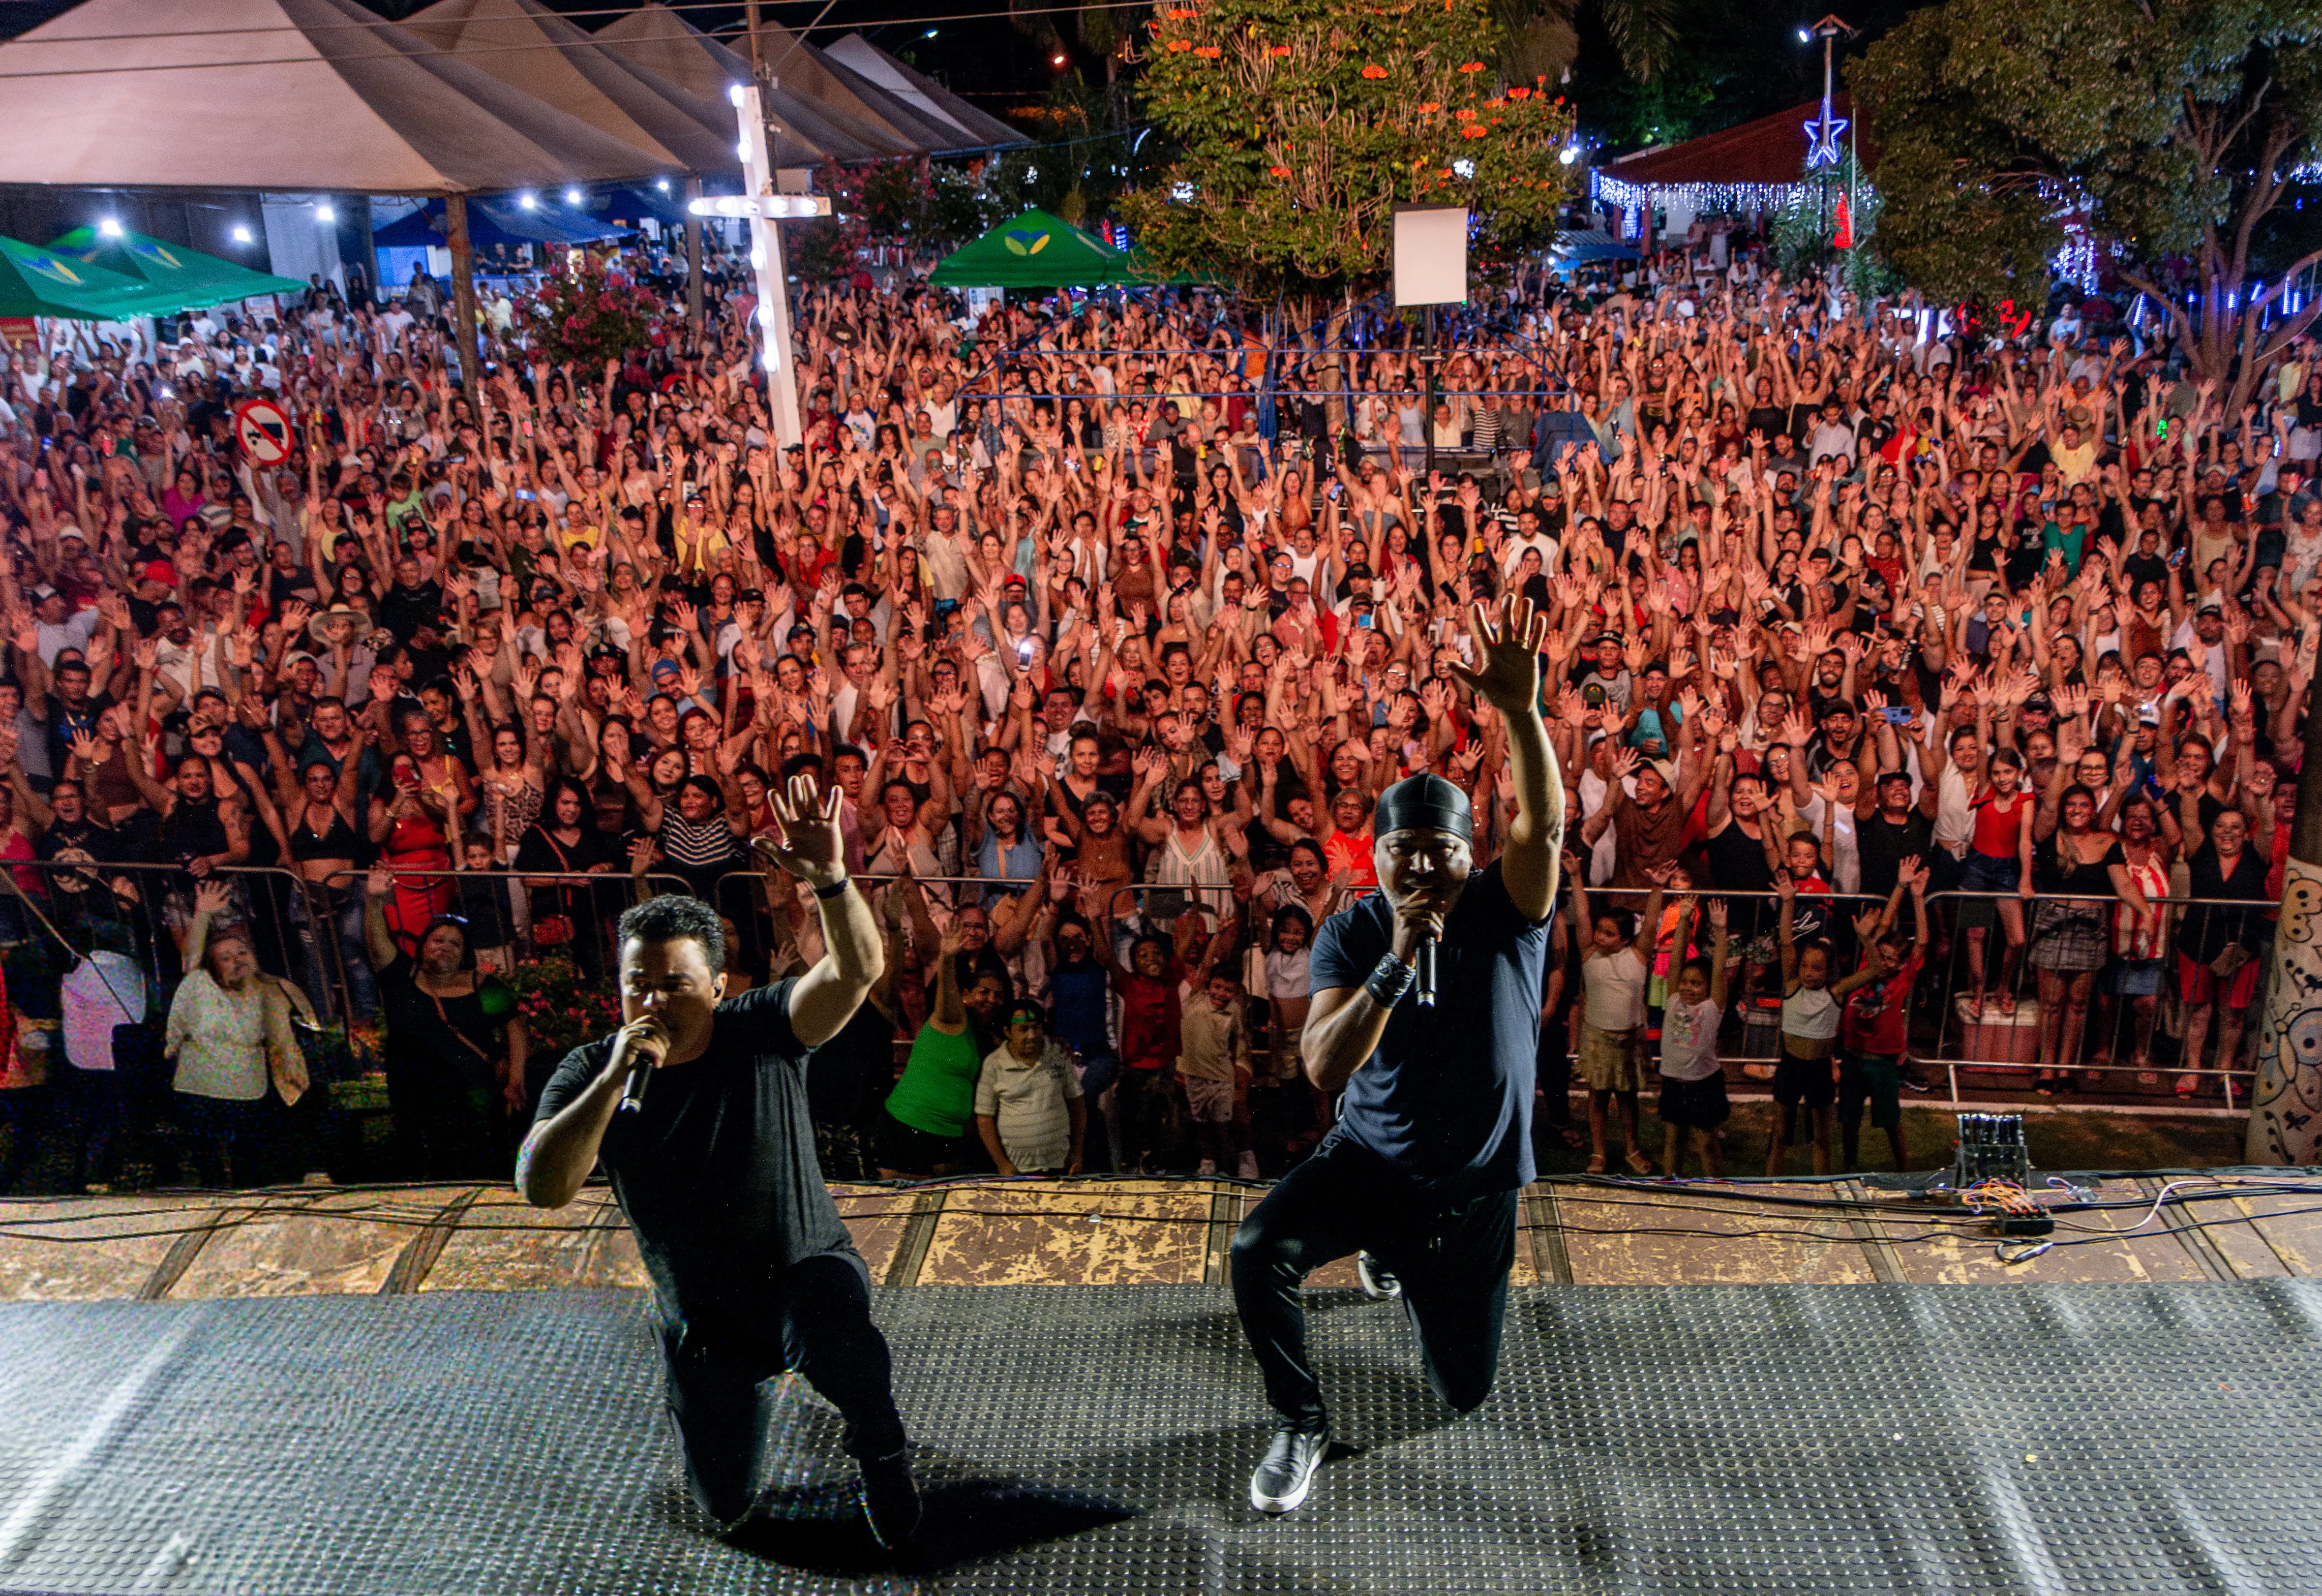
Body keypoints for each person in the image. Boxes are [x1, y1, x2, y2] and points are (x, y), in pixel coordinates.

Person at [518, 773, 919, 1549]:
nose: (654, 1002)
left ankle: (879, 1442)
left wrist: (833, 883)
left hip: (803, 1270)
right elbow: (541, 1187)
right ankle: (744, 1405)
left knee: (837, 1337)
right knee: (725, 1507)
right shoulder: (592, 1071)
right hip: (703, 1316)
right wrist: (612, 1081)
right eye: (639, 985)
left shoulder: (760, 1026)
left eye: (675, 984)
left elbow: (856, 973)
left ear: (718, 983)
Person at [1229, 594, 1562, 1518]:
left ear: (1470, 854)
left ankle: (1406, 1266)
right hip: (1372, 1163)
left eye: (1441, 853)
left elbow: (1545, 828)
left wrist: (1523, 716)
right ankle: (1300, 1421)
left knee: (1461, 1393)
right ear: (1372, 856)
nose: (1421, 869)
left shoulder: (1506, 909)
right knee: (1257, 1251)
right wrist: (1394, 962)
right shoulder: (1350, 933)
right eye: (1402, 853)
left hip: (1474, 1188)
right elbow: (1325, 1070)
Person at [364, 868, 525, 1177]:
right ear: (424, 945)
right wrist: (373, 901)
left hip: (475, 1100)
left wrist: (516, 1078)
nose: (445, 947)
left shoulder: (480, 985)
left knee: (483, 1171)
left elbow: (514, 1023)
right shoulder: (403, 979)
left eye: (455, 944)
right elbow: (377, 943)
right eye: (438, 940)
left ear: (464, 954)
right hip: (418, 1101)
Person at [163, 879, 306, 1187]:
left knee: (249, 1171)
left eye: (242, 952)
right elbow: (190, 962)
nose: (237, 960)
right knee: (210, 1173)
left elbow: (299, 1032)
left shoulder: (272, 989)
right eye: (226, 958)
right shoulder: (199, 985)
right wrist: (202, 915)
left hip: (248, 1090)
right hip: (199, 1090)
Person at [1565, 856, 1669, 1175]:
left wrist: (1657, 887)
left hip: (1627, 1040)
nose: (1599, 936)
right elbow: (1582, 915)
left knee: (1627, 1100)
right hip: (1597, 1037)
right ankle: (1598, 1153)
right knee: (1597, 1099)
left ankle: (1631, 1149)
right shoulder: (1589, 953)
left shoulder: (1638, 956)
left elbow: (1651, 923)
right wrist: (1575, 876)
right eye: (1600, 930)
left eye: (1609, 933)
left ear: (1625, 939)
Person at [1837, 861, 1931, 1172]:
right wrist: (1899, 887)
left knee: (1890, 1120)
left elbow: (1923, 942)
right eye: (1884, 956)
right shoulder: (1869, 963)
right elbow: (1881, 927)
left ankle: (1902, 1168)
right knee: (1849, 1119)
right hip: (1853, 1056)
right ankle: (1849, 1168)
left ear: (1904, 965)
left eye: (1893, 960)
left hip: (1883, 1059)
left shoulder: (1903, 978)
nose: (1887, 963)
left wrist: (1918, 898)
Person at [1656, 895, 1730, 1177]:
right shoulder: (1674, 998)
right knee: (1673, 1139)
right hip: (1673, 1082)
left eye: (1697, 983)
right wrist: (1684, 921)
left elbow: (1720, 968)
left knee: (1707, 1142)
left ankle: (1714, 1189)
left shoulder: (1712, 1007)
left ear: (1709, 988)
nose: (1688, 987)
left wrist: (1720, 930)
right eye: (1686, 982)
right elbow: (1676, 960)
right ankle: (1669, 1184)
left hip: (1703, 1084)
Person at [972, 997, 1086, 1176]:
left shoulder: (1058, 1055)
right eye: (1023, 1029)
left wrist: (1077, 1153)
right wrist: (1002, 1164)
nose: (1032, 1035)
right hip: (1016, 1169)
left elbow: (1077, 1105)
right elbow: (985, 1118)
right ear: (1007, 1031)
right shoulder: (994, 1064)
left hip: (1060, 1164)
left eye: (1036, 1027)